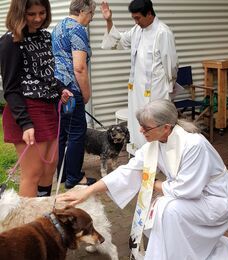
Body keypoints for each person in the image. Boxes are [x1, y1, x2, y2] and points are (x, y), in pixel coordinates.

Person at [58, 99, 228, 260]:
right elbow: (128, 171)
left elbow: (188, 190)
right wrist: (87, 191)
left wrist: (154, 184)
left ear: (166, 127)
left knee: (165, 208)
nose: (140, 130)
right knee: (156, 207)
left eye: (146, 127)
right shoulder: (157, 142)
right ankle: (170, 251)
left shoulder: (194, 145)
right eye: (140, 125)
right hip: (190, 194)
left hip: (216, 198)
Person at [0, 0, 72, 197]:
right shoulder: (10, 42)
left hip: (49, 109)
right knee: (32, 174)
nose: (38, 18)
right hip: (27, 111)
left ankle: (41, 217)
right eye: (31, 14)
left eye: (42, 13)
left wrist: (61, 89)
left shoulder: (45, 38)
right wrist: (25, 123)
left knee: (49, 171)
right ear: (19, 13)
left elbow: (47, 75)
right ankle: (28, 226)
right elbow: (11, 89)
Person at [100, 0, 178, 151]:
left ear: (149, 13)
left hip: (156, 90)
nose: (136, 21)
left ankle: (159, 156)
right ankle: (140, 155)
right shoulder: (137, 29)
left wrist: (170, 86)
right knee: (138, 124)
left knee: (155, 123)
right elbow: (119, 40)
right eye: (134, 18)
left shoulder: (163, 32)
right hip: (137, 91)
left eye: (138, 18)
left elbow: (171, 64)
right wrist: (109, 20)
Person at [52, 0, 97, 189]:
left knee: (62, 133)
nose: (92, 18)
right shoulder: (77, 29)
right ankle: (74, 177)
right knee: (77, 134)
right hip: (72, 90)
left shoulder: (58, 27)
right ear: (82, 11)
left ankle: (61, 174)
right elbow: (79, 67)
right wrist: (86, 94)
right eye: (91, 14)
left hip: (58, 88)